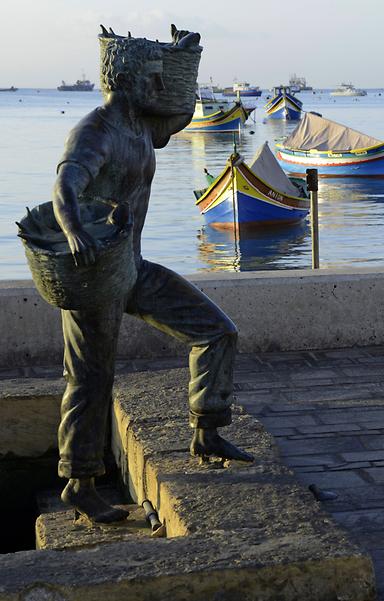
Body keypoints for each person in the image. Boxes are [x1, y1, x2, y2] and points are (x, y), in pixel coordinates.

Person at [52, 27, 252, 523]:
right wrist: (75, 231)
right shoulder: (94, 131)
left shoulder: (144, 126)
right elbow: (65, 184)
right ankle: (80, 483)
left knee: (216, 331)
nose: (158, 89)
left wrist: (186, 56)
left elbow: (181, 111)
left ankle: (206, 431)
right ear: (123, 79)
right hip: (93, 272)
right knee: (90, 378)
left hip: (133, 267)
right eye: (151, 79)